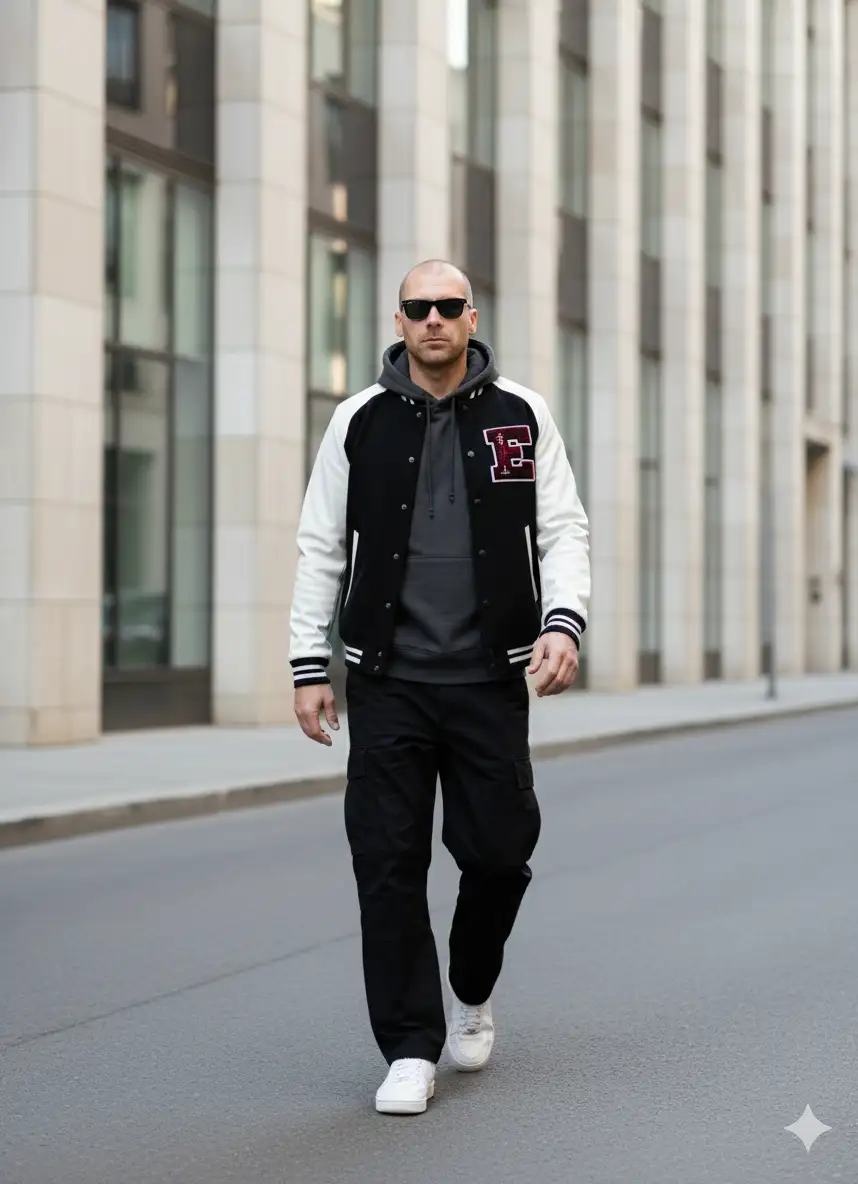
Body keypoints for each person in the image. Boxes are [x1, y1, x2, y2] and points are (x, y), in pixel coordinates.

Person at [289, 259, 590, 1115]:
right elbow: (321, 547)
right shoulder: (359, 421)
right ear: (397, 319)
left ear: (471, 316)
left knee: (499, 853)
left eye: (447, 307)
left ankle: (471, 982)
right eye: (418, 308)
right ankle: (409, 1048)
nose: (432, 320)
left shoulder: (520, 415)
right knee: (386, 864)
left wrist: (562, 622)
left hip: (490, 680)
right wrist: (309, 665)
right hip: (386, 682)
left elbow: (563, 530)